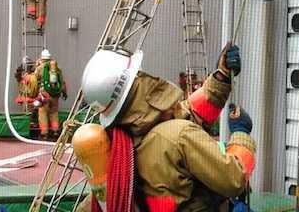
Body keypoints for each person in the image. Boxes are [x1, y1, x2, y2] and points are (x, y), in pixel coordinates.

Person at [74, 42, 255, 211]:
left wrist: (221, 77)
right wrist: (241, 134)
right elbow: (234, 179)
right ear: (137, 82)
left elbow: (187, 112)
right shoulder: (179, 136)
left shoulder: (123, 144)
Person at [32, 49, 68, 140]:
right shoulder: (57, 68)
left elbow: (34, 81)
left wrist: (34, 93)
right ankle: (55, 131)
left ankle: (44, 133)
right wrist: (64, 93)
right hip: (55, 96)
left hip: (44, 95)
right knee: (54, 113)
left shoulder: (40, 68)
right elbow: (62, 82)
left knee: (43, 113)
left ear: (42, 58)